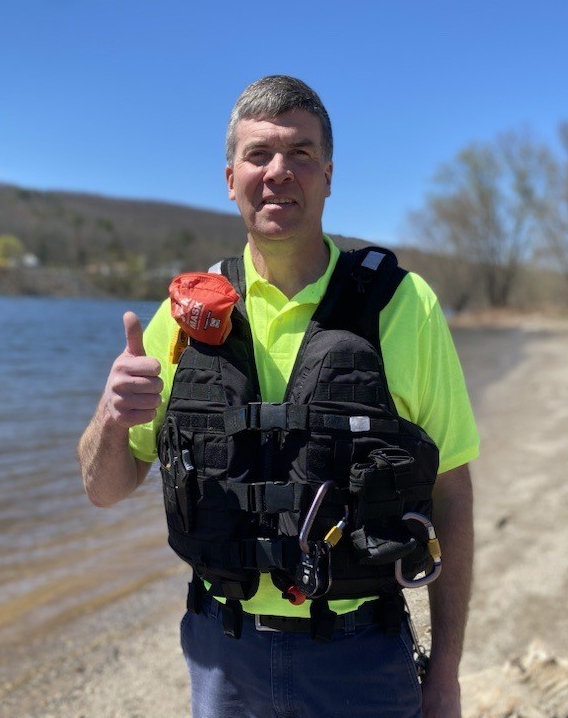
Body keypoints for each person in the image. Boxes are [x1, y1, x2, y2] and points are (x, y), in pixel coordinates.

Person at [78, 75, 478, 718]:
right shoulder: (182, 316)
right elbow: (104, 488)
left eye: (300, 154)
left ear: (327, 174)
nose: (278, 173)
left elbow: (451, 494)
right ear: (229, 175)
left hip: (361, 655)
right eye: (259, 154)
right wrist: (110, 412)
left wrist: (446, 673)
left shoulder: (404, 306)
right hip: (222, 653)